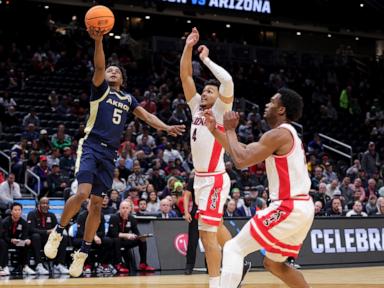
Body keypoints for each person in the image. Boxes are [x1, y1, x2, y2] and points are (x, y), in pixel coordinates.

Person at [44, 26, 185, 277]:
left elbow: (148, 116)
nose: (111, 71)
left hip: (109, 154)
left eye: (116, 70)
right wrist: (98, 41)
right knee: (83, 193)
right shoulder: (101, 90)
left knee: (97, 205)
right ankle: (58, 231)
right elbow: (99, 67)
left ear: (122, 79)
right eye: (110, 69)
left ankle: (83, 252)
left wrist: (166, 127)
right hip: (91, 146)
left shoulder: (128, 98)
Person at [204, 88, 314, 288]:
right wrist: (215, 130)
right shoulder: (283, 135)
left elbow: (240, 160)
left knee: (233, 248)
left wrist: (230, 129)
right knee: (274, 264)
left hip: (289, 206)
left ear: (281, 110)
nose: (267, 105)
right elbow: (243, 150)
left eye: (272, 102)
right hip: (302, 207)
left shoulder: (279, 134)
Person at [180, 27, 234, 288]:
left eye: (209, 92)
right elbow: (185, 75)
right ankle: (237, 258)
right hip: (200, 180)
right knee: (216, 226)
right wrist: (188, 46)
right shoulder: (195, 109)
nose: (204, 94)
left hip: (214, 180)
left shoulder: (222, 111)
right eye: (204, 91)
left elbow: (228, 82)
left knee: (206, 233)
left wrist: (205, 60)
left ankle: (216, 283)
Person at [107, 200, 155, 273]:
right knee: (117, 239)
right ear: (119, 209)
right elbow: (113, 234)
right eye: (123, 208)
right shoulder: (114, 217)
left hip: (125, 241)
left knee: (142, 240)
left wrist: (140, 236)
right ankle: (118, 264)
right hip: (113, 241)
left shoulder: (131, 218)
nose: (125, 210)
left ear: (130, 209)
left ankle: (143, 264)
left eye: (127, 208)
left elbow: (136, 232)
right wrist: (127, 235)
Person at [27, 197, 69, 274]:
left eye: (47, 203)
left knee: (63, 237)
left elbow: (56, 228)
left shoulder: (51, 215)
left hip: (49, 240)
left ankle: (59, 265)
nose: (45, 205)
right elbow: (31, 229)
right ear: (38, 205)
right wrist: (46, 232)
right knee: (36, 236)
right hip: (36, 240)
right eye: (43, 203)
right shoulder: (32, 214)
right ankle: (39, 265)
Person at [2, 203, 36, 275]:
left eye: (19, 210)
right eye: (15, 210)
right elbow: (3, 235)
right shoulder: (5, 222)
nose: (17, 211)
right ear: (11, 212)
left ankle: (25, 266)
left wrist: (27, 239)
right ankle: (4, 266)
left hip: (17, 242)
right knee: (1, 242)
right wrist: (11, 240)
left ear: (21, 211)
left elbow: (25, 235)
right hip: (7, 241)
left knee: (26, 244)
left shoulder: (24, 223)